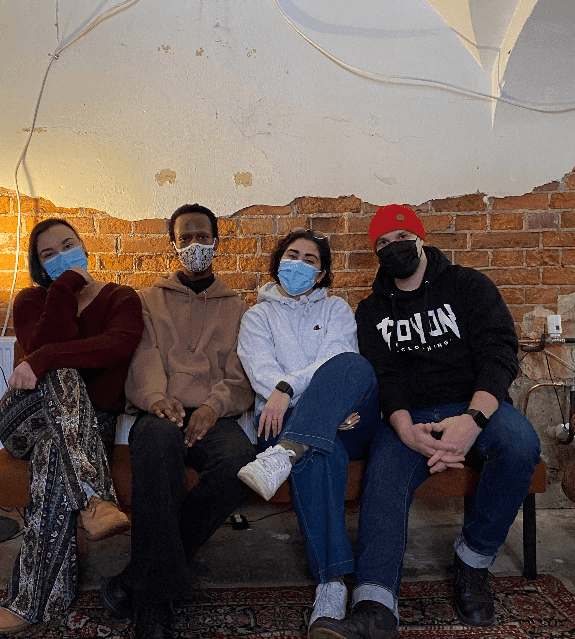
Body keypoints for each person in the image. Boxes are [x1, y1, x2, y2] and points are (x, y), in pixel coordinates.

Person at [310, 205, 541, 639]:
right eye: (382, 243)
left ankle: (472, 561)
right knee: (383, 476)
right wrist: (403, 429)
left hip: (473, 406)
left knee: (520, 444)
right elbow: (384, 375)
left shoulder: (468, 285)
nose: (392, 247)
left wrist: (471, 421)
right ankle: (375, 605)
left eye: (401, 237)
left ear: (420, 238)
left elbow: (499, 354)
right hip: (409, 416)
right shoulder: (372, 310)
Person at [99, 203, 256, 639]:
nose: (194, 245)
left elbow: (240, 373)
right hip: (160, 412)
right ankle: (153, 606)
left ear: (216, 242)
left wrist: (213, 406)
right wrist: (157, 399)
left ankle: (140, 575)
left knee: (241, 464)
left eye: (202, 236)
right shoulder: (148, 301)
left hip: (213, 415)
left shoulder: (237, 307)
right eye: (185, 238)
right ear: (173, 244)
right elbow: (144, 356)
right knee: (156, 446)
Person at [0, 218, 144, 635]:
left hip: (86, 429)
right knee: (60, 371)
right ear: (39, 266)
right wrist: (64, 287)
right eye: (48, 254)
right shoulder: (31, 300)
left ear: (84, 247)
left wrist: (46, 358)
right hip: (25, 417)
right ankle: (96, 498)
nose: (61, 256)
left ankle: (34, 599)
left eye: (68, 245)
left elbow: (118, 345)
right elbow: (42, 351)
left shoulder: (121, 297)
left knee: (54, 454)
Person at [235, 227, 380, 632]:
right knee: (320, 454)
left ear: (321, 274)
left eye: (310, 259)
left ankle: (286, 454)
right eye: (292, 255)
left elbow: (338, 360)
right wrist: (320, 411)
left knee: (353, 366)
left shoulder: (336, 309)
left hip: (345, 421)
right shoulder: (257, 316)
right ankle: (331, 584)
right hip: (280, 422)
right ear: (278, 263)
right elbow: (261, 373)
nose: (298, 264)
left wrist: (301, 394)